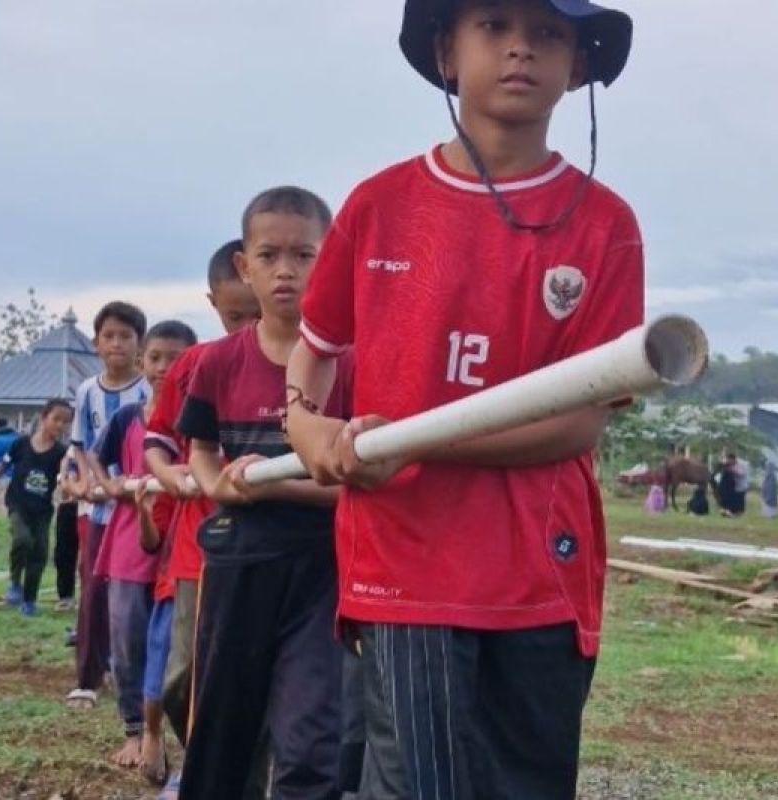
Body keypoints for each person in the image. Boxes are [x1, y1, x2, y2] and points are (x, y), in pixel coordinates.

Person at [284, 2, 639, 796]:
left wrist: (412, 441)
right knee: (418, 785)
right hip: (404, 559)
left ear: (578, 66)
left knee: (527, 784)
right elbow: (315, 348)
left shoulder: (606, 225)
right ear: (447, 51)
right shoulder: (380, 206)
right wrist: (303, 423)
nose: (521, 49)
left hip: (540, 571)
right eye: (494, 26)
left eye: (549, 34)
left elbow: (578, 421)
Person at [178, 187, 352, 800]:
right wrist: (218, 484)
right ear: (243, 267)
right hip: (238, 563)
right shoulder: (218, 362)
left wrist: (283, 486)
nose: (287, 270)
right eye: (269, 255)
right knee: (222, 727)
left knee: (312, 739)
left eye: (304, 255)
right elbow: (199, 451)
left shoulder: (355, 363)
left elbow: (361, 488)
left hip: (323, 570)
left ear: (331, 259)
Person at [142, 240, 267, 797]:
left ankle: (235, 779)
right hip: (201, 553)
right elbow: (158, 439)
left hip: (272, 548)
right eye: (236, 316)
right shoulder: (200, 365)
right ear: (214, 303)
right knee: (183, 679)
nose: (248, 328)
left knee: (254, 676)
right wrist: (169, 476)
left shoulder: (305, 363)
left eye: (256, 315)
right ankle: (203, 763)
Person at [93, 320, 195, 770]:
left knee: (182, 660)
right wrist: (112, 487)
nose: (164, 368)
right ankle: (140, 730)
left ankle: (182, 749)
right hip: (141, 551)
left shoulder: (202, 422)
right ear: (142, 362)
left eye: (176, 359)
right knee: (135, 643)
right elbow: (93, 456)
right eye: (155, 358)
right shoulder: (129, 419)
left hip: (189, 558)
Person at [64, 301, 152, 710]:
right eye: (108, 336)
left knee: (136, 595)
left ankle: (133, 672)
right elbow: (81, 446)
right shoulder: (86, 391)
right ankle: (87, 678)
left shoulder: (147, 391)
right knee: (94, 590)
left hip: (138, 510)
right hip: (99, 510)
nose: (116, 344)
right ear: (96, 343)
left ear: (139, 345)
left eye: (126, 336)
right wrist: (87, 483)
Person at [0, 399, 72, 615]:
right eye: (56, 419)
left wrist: (68, 491)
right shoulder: (21, 444)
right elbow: (1, 467)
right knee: (22, 539)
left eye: (66, 422)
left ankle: (29, 600)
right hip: (18, 505)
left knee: (40, 552)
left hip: (42, 511)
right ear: (44, 418)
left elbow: (65, 478)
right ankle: (15, 582)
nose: (61, 425)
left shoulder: (61, 453)